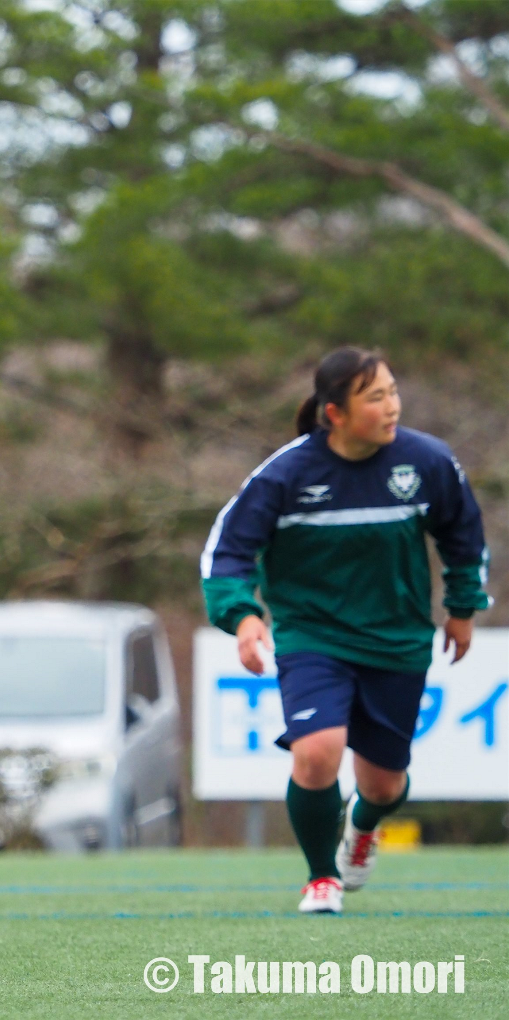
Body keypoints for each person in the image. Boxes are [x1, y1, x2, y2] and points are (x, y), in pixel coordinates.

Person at [200, 346, 491, 915]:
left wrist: (462, 607)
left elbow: (465, 535)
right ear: (335, 412)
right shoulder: (285, 475)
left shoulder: (427, 462)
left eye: (393, 392)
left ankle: (362, 825)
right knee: (316, 752)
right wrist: (244, 615)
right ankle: (320, 878)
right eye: (375, 397)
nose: (392, 407)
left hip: (397, 637)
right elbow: (227, 552)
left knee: (383, 786)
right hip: (313, 635)